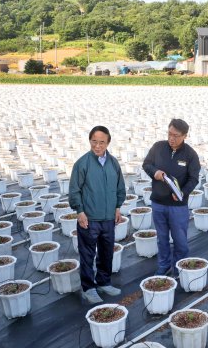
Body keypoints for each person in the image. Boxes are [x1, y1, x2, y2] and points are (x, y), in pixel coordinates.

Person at [69, 125, 126, 304]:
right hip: (90, 219)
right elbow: (74, 190)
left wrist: (117, 207)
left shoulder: (113, 162)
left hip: (109, 218)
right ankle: (88, 287)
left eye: (102, 142)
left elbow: (120, 187)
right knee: (87, 254)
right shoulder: (82, 163)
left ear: (108, 143)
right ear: (90, 141)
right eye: (94, 141)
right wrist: (80, 212)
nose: (97, 146)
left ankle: (104, 282)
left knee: (106, 251)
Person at [142, 119, 201, 276]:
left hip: (177, 206)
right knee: (162, 239)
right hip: (158, 204)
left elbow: (194, 178)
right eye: (169, 134)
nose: (171, 138)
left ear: (185, 136)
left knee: (180, 240)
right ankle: (164, 265)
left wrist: (182, 193)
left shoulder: (190, 155)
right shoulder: (158, 147)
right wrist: (154, 172)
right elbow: (146, 164)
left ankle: (179, 268)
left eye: (176, 135)